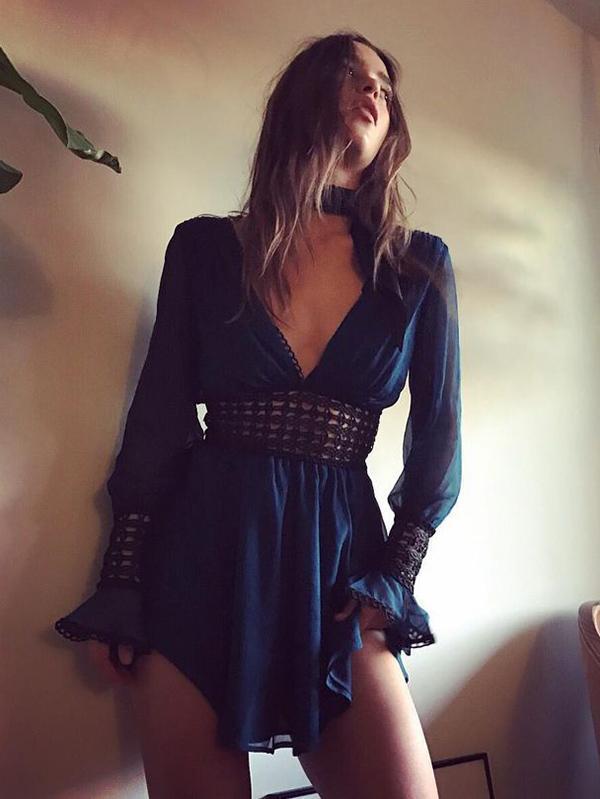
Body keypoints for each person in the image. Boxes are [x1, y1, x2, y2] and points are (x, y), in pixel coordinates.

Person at [54, 29, 461, 799]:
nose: (375, 91)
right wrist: (124, 580)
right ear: (304, 94)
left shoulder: (417, 269)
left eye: (384, 85)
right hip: (200, 563)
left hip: (339, 574)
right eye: (355, 74)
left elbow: (439, 438)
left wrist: (396, 573)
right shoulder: (205, 250)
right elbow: (159, 419)